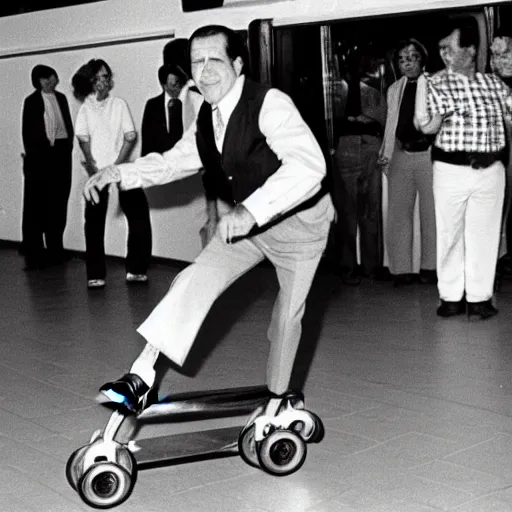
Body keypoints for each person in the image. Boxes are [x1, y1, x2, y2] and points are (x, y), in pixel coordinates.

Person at [83, 25, 334, 414]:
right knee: (194, 278)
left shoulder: (269, 103)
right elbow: (173, 161)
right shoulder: (205, 114)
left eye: (214, 59)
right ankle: (142, 376)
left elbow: (308, 165)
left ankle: (278, 401)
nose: (204, 71)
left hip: (300, 225)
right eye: (196, 62)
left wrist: (251, 210)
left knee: (286, 318)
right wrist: (120, 173)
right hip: (246, 225)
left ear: (237, 63)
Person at [415, 18, 512, 319]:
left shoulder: (493, 83)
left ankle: (480, 297)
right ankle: (451, 296)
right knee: (450, 233)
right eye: (441, 48)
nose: (444, 54)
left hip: (491, 169)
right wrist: (429, 116)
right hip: (451, 169)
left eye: (450, 47)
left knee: (485, 234)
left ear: (470, 50)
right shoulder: (434, 81)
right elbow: (427, 126)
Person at [72, 59, 151, 289]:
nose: (103, 82)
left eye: (106, 77)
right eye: (98, 78)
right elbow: (83, 141)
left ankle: (136, 270)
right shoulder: (85, 108)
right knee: (93, 224)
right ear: (90, 81)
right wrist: (96, 170)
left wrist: (116, 167)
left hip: (122, 169)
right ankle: (95, 274)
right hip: (96, 172)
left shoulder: (119, 104)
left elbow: (130, 136)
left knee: (138, 218)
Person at [377, 39, 436, 287]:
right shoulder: (394, 89)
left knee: (432, 215)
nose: (407, 63)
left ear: (422, 59)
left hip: (430, 155)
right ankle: (401, 270)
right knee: (397, 215)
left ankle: (431, 268)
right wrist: (386, 153)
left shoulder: (437, 84)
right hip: (401, 153)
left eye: (412, 57)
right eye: (402, 59)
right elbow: (391, 125)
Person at [332, 48, 387, 285]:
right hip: (345, 146)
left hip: (369, 147)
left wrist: (370, 120)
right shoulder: (333, 92)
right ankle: (349, 266)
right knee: (347, 210)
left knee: (369, 209)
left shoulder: (372, 93)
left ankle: (369, 266)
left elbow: (384, 121)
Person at [21, 64, 74, 270]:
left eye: (52, 77)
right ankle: (35, 251)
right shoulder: (31, 101)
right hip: (40, 158)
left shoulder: (61, 98)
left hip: (60, 155)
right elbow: (28, 133)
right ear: (38, 81)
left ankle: (56, 249)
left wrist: (66, 148)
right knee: (37, 206)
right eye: (45, 79)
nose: (50, 81)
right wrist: (39, 156)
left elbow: (66, 126)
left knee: (58, 203)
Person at [140, 63, 203, 156]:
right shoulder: (152, 106)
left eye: (180, 84)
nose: (178, 88)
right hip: (161, 163)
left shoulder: (198, 100)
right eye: (174, 85)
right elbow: (147, 144)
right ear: (164, 86)